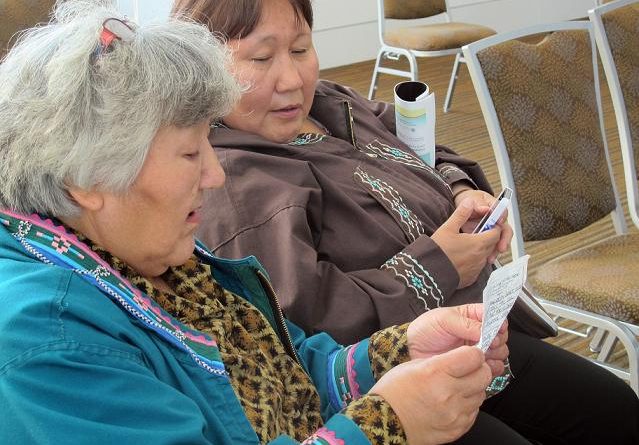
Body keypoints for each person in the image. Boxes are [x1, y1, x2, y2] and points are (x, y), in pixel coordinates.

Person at [0, 2, 515, 444]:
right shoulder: (50, 343)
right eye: (188, 153)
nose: (215, 172)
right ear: (85, 180)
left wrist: (397, 349)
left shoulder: (136, 251)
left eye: (209, 141)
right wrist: (385, 424)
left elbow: (287, 374)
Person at [172, 0, 639, 443]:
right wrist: (441, 265)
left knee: (616, 409)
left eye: (300, 49)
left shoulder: (331, 104)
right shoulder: (237, 188)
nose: (292, 79)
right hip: (389, 386)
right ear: (203, 68)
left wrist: (461, 190)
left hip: (473, 334)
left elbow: (423, 144)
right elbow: (308, 326)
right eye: (261, 58)